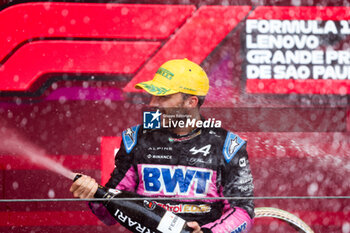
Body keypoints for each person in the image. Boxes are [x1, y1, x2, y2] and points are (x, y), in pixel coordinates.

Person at [70, 58, 254, 233]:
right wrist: (94, 194)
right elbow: (108, 213)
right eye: (153, 96)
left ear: (191, 102)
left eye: (163, 97)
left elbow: (243, 211)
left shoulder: (227, 146)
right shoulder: (136, 139)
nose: (152, 104)